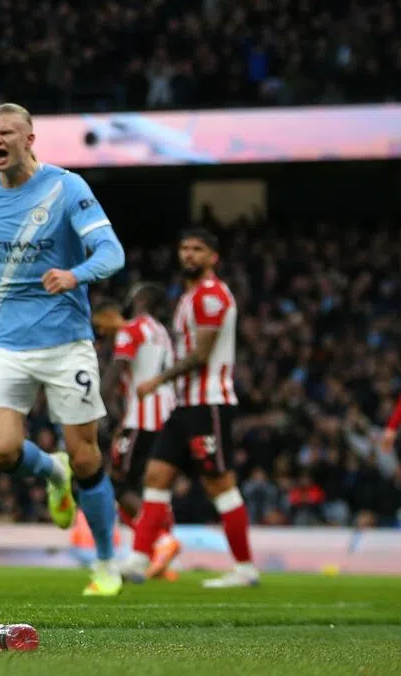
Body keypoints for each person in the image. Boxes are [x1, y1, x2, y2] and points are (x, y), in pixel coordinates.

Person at [0, 103, 126, 596]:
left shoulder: (67, 188)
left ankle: (105, 562)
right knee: (0, 451)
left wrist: (74, 274)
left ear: (30, 139)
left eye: (7, 132)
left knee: (86, 457)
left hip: (67, 343)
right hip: (7, 344)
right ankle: (49, 470)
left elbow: (111, 253)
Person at [127, 228, 257, 588]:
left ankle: (245, 569)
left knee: (220, 483)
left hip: (209, 403)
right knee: (156, 475)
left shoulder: (211, 295)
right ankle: (139, 558)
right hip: (185, 405)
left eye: (197, 249)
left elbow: (201, 356)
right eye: (184, 248)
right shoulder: (189, 296)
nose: (188, 255)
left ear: (213, 257)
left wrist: (157, 380)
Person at [94, 283, 181, 579]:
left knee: (119, 485)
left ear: (138, 299)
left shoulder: (131, 330)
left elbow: (117, 371)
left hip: (143, 419)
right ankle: (159, 553)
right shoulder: (162, 333)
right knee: (153, 490)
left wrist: (96, 410)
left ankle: (161, 542)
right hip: (168, 417)